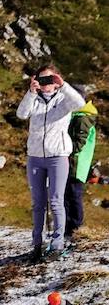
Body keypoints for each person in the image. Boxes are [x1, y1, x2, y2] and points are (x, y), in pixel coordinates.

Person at [16, 63, 86, 260]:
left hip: (58, 157)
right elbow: (21, 114)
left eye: (50, 79)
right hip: (35, 157)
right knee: (38, 203)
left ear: (56, 81)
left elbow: (81, 104)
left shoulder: (65, 99)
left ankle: (57, 244)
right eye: (42, 79)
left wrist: (63, 85)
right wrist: (30, 92)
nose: (46, 83)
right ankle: (37, 244)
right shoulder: (34, 99)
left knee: (56, 201)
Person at [65, 89, 97, 246]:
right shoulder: (81, 116)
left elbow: (79, 143)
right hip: (77, 164)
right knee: (70, 196)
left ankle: (75, 228)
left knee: (73, 196)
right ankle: (70, 227)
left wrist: (65, 152)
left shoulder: (82, 119)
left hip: (75, 165)